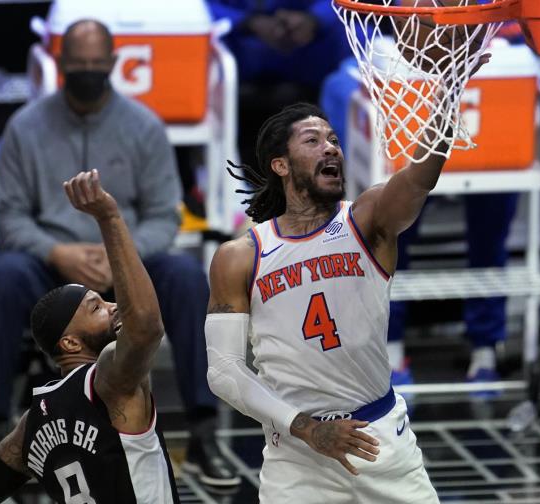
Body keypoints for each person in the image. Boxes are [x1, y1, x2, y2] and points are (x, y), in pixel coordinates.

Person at [0, 19, 238, 485]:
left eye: (98, 63)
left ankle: (203, 429)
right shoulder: (24, 127)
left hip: (125, 258)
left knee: (185, 276)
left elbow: (164, 216)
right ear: (61, 62)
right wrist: (56, 252)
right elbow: (7, 214)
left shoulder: (144, 125)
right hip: (52, 264)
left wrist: (120, 256)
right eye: (79, 63)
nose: (89, 71)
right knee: (2, 276)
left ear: (113, 63)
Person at [205, 98, 500, 501]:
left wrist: (447, 94)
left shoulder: (367, 220)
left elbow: (419, 179)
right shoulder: (241, 257)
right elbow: (224, 371)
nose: (330, 148)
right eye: (313, 140)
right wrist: (309, 429)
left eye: (334, 140)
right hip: (296, 454)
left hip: (379, 440)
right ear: (281, 165)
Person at [319, 25, 525, 391]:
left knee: (492, 224)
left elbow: (532, 51)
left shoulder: (499, 31)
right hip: (405, 135)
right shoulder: (388, 40)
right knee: (393, 226)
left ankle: (485, 348)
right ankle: (391, 345)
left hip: (491, 134)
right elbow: (350, 56)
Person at [0, 169, 180, 503]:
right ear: (71, 343)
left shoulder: (32, 423)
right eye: (97, 307)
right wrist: (109, 218)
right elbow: (146, 325)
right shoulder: (108, 379)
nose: (114, 307)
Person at [207, 0, 350, 170]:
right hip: (235, 51)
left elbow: (346, 5)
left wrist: (316, 18)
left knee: (355, 43)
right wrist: (245, 22)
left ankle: (344, 166)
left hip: (312, 49)